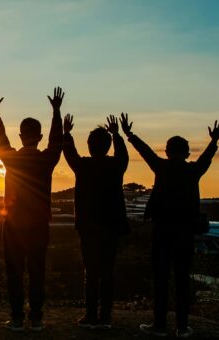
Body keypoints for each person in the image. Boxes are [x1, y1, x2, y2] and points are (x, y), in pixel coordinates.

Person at [125, 119, 219, 338]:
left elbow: (145, 151)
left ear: (168, 151)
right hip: (185, 232)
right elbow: (207, 157)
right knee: (182, 279)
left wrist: (129, 134)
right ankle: (182, 326)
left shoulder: (161, 166)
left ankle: (159, 324)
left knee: (160, 278)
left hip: (162, 230)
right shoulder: (194, 170)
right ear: (187, 153)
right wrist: (214, 141)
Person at [0, 86, 64, 332]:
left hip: (13, 224)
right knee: (37, 271)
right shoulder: (46, 159)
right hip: (39, 224)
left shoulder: (11, 158)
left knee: (15, 272)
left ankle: (18, 318)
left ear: (20, 136)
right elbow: (57, 142)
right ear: (39, 137)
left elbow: (0, 140)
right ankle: (37, 318)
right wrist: (56, 112)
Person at [63, 113, 130, 330]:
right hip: (111, 226)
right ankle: (106, 317)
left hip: (88, 227)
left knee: (91, 272)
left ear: (90, 146)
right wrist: (117, 135)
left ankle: (90, 315)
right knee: (107, 271)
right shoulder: (116, 166)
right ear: (108, 146)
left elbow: (69, 153)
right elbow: (123, 156)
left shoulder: (83, 166)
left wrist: (67, 133)